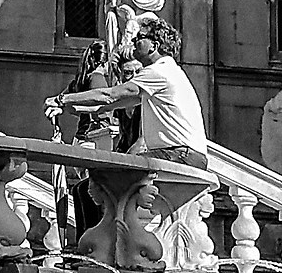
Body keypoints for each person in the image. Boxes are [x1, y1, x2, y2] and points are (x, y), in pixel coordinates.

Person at [64, 17, 208, 169]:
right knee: (87, 188)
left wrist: (63, 98)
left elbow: (110, 95)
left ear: (154, 46)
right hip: (181, 155)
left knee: (108, 176)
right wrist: (69, 106)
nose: (133, 40)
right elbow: (108, 105)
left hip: (180, 155)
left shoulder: (159, 71)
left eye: (140, 37)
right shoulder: (168, 71)